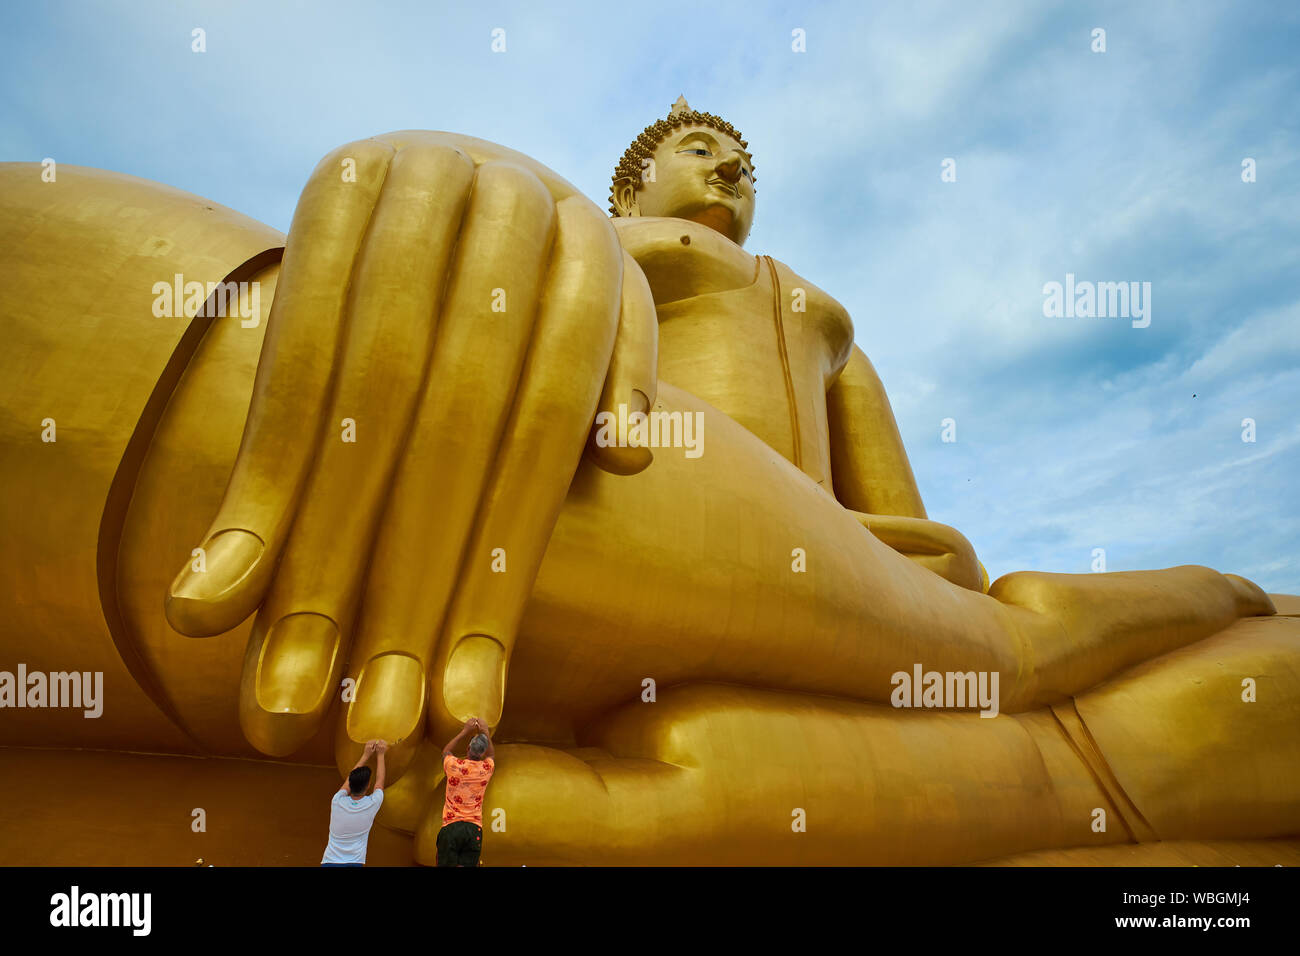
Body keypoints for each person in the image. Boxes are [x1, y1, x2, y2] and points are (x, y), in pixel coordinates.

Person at [436, 718, 495, 866]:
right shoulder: (485, 769)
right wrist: (486, 731)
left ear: (468, 748)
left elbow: (446, 751)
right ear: (481, 754)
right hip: (473, 827)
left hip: (451, 825)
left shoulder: (454, 765)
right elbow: (492, 756)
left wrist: (465, 731)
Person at [320, 738, 387, 866]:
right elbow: (380, 781)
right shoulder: (372, 803)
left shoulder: (337, 801)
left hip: (329, 862)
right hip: (354, 863)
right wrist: (381, 754)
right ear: (368, 786)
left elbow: (348, 782)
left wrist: (365, 755)